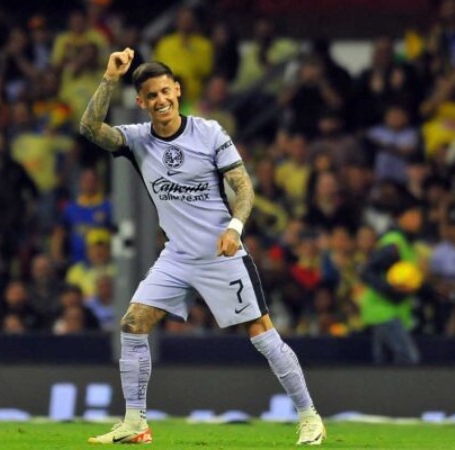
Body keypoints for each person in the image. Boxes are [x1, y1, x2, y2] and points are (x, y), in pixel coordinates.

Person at [79, 48, 325, 446]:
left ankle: (310, 417)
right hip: (177, 256)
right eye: (151, 96)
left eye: (165, 91)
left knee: (262, 333)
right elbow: (90, 128)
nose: (160, 100)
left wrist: (235, 227)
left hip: (220, 253)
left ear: (177, 90)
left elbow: (244, 187)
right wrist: (110, 78)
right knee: (132, 324)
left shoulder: (209, 132)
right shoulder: (138, 140)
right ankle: (135, 423)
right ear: (141, 102)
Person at [359, 189, 423, 365]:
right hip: (385, 312)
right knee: (408, 358)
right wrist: (391, 292)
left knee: (384, 364)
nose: (418, 219)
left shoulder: (406, 244)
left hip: (391, 314)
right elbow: (367, 271)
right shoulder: (393, 243)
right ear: (401, 217)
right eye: (413, 215)